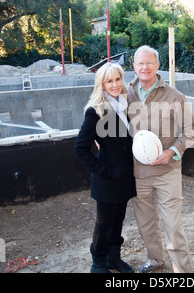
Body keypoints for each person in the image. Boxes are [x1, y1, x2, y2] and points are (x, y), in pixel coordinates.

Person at [127, 45, 194, 273]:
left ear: (158, 66)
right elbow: (105, 113)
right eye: (140, 63)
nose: (145, 67)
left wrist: (171, 151)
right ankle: (156, 261)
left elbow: (191, 128)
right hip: (138, 173)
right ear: (134, 66)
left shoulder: (173, 96)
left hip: (167, 171)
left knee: (173, 226)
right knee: (146, 224)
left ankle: (183, 272)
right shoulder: (124, 93)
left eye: (149, 63)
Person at [74, 62, 136, 273]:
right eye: (109, 81)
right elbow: (80, 149)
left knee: (118, 221)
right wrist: (107, 171)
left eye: (117, 79)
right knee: (104, 224)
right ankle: (98, 263)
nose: (114, 84)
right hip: (108, 181)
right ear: (102, 84)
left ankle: (113, 258)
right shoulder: (96, 112)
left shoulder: (126, 105)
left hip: (126, 179)